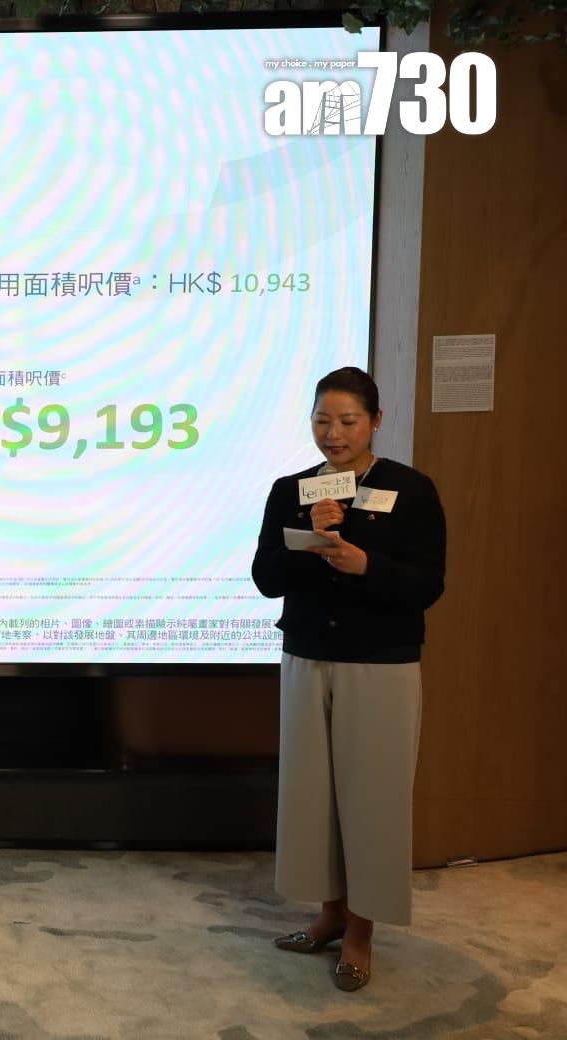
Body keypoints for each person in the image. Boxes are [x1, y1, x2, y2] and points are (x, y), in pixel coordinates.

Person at [251, 366, 446, 992]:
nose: (333, 434)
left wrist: (367, 565)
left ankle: (361, 930)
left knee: (372, 800)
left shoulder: (410, 490)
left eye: (347, 421)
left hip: (380, 663)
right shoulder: (293, 489)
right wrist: (311, 539)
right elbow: (265, 577)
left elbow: (428, 584)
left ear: (376, 421)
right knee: (313, 797)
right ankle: (329, 916)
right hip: (308, 655)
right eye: (322, 420)